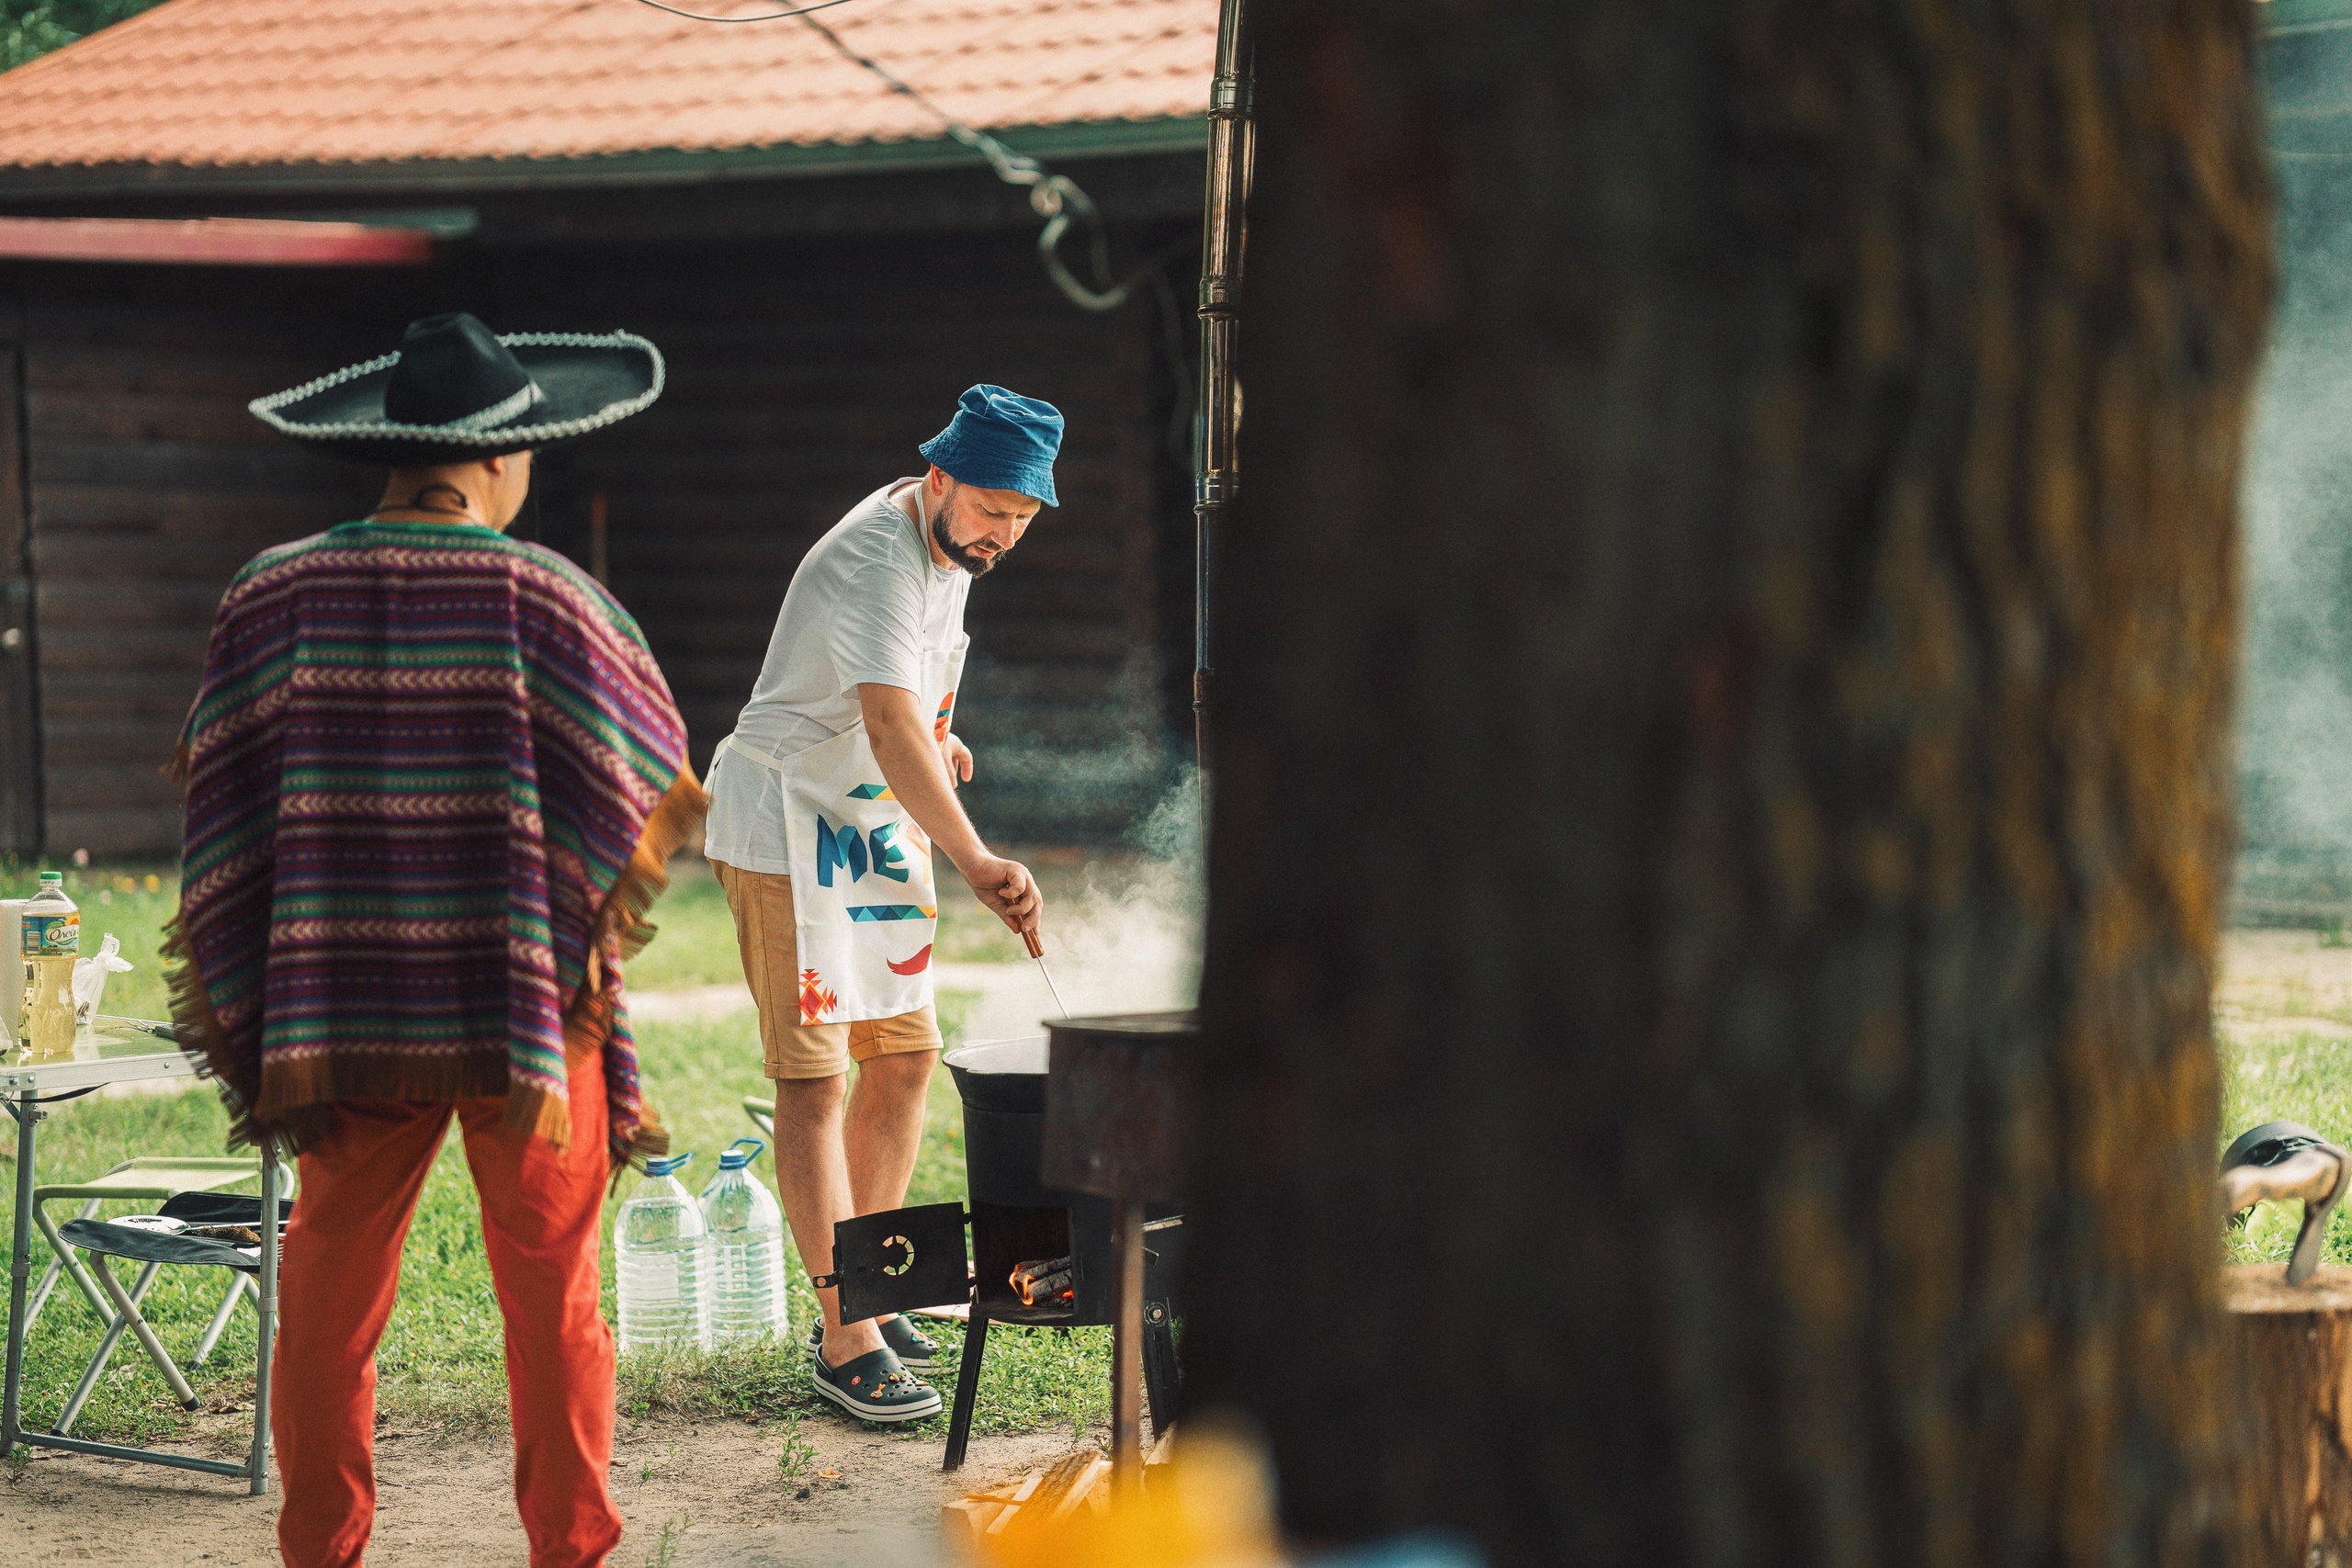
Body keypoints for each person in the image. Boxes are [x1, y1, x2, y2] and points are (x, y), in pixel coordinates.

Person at [170, 312, 703, 1568]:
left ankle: (322, 1548)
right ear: (506, 461)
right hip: (520, 1008)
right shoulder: (547, 593)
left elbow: (218, 800)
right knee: (550, 1286)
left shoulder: (270, 592)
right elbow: (652, 778)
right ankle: (570, 1548)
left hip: (334, 1006)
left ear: (394, 454)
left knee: (329, 1286)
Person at [703, 384, 1057, 1422]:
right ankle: (842, 1334)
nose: (1001, 535)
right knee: (812, 1083)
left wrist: (939, 739)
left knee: (901, 1061)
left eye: (1022, 520)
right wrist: (978, 857)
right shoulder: (875, 555)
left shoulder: (953, 546)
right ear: (938, 475)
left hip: (865, 816)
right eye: (991, 508)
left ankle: (881, 1279)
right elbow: (886, 718)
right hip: (782, 819)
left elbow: (916, 699)